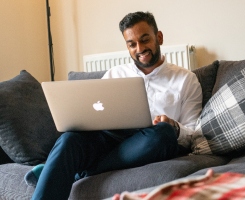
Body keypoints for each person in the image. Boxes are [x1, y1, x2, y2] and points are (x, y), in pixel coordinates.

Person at [24, 11, 203, 200]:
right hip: (109, 137)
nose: (140, 48)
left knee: (163, 134)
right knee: (69, 139)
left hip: (147, 140)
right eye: (132, 44)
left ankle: (76, 172)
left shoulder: (185, 79)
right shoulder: (115, 73)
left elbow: (193, 134)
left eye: (145, 39)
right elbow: (95, 109)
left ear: (159, 37)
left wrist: (174, 126)